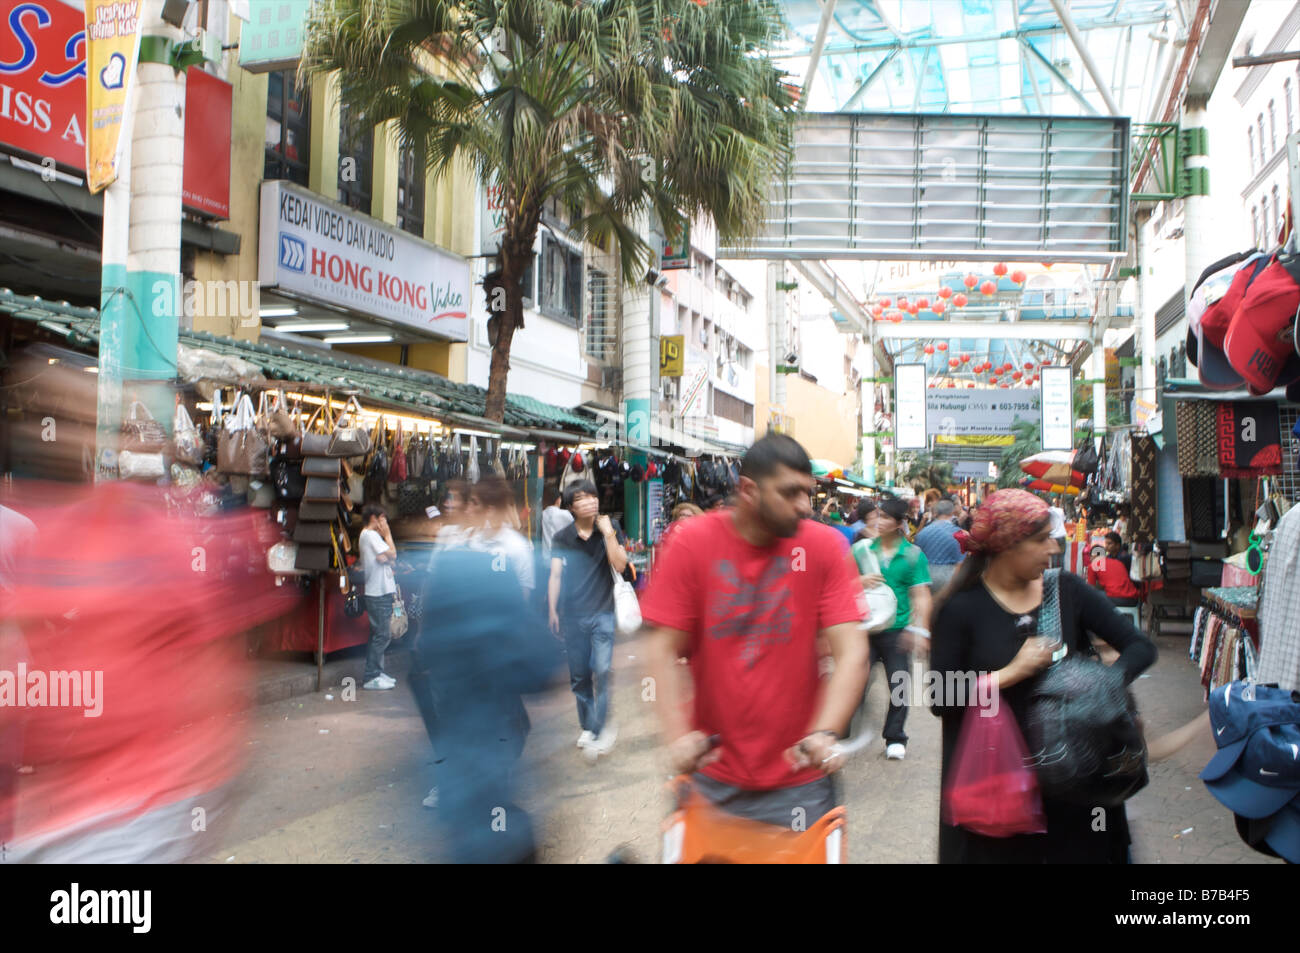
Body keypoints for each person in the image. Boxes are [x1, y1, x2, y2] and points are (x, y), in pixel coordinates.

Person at [641, 433, 869, 830]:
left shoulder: (824, 548)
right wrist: (678, 737)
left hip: (801, 775)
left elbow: (852, 652)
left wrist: (825, 731)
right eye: (790, 493)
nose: (804, 506)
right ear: (748, 490)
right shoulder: (692, 543)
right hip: (712, 773)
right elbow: (660, 648)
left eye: (808, 493)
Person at [929, 489, 1157, 864]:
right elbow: (940, 697)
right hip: (998, 793)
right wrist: (1008, 674)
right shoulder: (960, 609)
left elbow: (1139, 647)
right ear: (1006, 546)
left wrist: (1102, 690)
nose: (1053, 548)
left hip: (1075, 785)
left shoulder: (1067, 591)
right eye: (1040, 540)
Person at [548, 479, 630, 761]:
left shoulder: (611, 528)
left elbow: (620, 565)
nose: (592, 502)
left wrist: (608, 534)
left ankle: (600, 728)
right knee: (580, 676)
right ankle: (588, 726)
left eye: (593, 496)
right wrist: (552, 609)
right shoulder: (562, 537)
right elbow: (555, 574)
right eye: (583, 498)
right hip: (573, 616)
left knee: (603, 671)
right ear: (571, 506)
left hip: (603, 613)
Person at [859, 496, 932, 760]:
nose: (878, 521)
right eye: (877, 516)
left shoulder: (913, 555)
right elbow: (839, 582)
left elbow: (921, 594)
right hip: (864, 629)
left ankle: (895, 737)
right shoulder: (862, 550)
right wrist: (859, 580)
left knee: (899, 684)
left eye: (886, 517)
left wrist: (920, 630)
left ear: (900, 523)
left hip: (897, 630)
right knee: (854, 682)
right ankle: (841, 732)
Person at [466, 476, 535, 599]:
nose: (468, 509)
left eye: (474, 503)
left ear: (490, 510)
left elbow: (524, 594)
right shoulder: (472, 540)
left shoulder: (517, 546)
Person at [359, 504, 399, 691]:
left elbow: (389, 559)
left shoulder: (367, 536)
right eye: (383, 518)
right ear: (374, 518)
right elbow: (393, 553)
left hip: (379, 590)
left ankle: (377, 671)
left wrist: (388, 557)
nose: (385, 522)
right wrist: (388, 535)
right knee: (382, 635)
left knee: (379, 634)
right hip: (378, 592)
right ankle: (371, 676)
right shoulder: (371, 535)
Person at [913, 499, 965, 594]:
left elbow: (915, 557)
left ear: (935, 513)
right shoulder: (959, 534)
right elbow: (961, 564)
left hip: (925, 578)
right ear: (952, 512)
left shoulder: (923, 533)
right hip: (948, 579)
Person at [1087, 532, 1139, 607]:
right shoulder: (1114, 560)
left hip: (1120, 597)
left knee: (1091, 596)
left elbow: (1090, 589)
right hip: (1133, 598)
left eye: (1109, 543)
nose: (1106, 546)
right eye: (1106, 544)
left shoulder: (1123, 558)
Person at [539, 480, 573, 565]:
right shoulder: (566, 514)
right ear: (558, 500)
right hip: (562, 561)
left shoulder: (542, 515)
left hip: (545, 560)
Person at [1046, 495, 1068, 568]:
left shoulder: (1047, 512)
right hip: (1062, 535)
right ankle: (1062, 575)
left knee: (1054, 559)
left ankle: (1054, 575)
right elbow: (1064, 519)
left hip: (1053, 537)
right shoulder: (1060, 510)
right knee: (1062, 558)